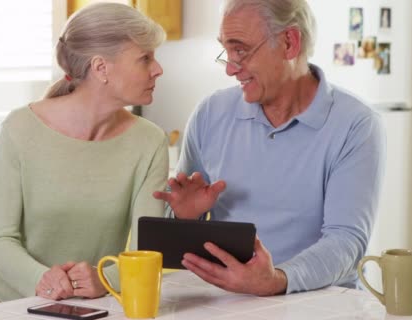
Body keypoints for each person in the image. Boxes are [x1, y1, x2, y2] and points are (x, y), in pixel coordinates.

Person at [153, 0, 385, 296]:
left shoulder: (356, 124)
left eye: (241, 50)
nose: (231, 69)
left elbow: (346, 242)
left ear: (289, 43)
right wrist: (185, 218)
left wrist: (278, 279)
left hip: (323, 303)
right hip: (230, 301)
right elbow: (178, 248)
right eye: (227, 51)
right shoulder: (211, 113)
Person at [0, 2, 168, 308]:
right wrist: (43, 279)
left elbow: (145, 253)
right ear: (100, 68)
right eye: (145, 58)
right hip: (0, 297)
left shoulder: (150, 142)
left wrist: (105, 278)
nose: (158, 69)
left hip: (85, 305)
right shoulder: (20, 128)